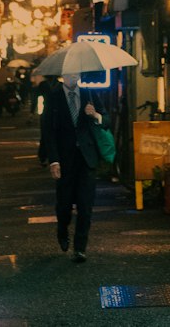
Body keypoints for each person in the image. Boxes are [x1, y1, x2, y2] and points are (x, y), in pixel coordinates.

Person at [40, 74, 107, 262]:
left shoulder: (89, 94)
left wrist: (95, 115)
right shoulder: (53, 97)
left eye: (76, 72)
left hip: (87, 159)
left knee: (86, 206)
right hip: (64, 159)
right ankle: (62, 231)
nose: (73, 76)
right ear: (63, 75)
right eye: (69, 73)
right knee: (64, 205)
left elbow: (106, 119)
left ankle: (80, 248)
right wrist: (53, 160)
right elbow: (48, 131)